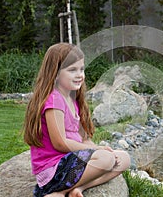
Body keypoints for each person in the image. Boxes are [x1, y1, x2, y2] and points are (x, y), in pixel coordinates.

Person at [23, 42, 131, 197]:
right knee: (106, 159)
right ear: (56, 73)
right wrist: (97, 151)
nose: (80, 74)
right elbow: (60, 143)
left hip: (71, 161)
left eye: (81, 69)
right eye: (72, 70)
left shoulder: (73, 99)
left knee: (123, 158)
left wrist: (97, 148)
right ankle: (56, 191)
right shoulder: (54, 100)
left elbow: (84, 139)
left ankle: (78, 188)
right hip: (54, 168)